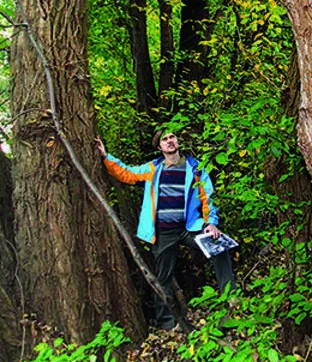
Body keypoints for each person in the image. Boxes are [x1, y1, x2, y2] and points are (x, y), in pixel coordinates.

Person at [97, 129, 235, 330]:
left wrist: (211, 223)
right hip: (163, 231)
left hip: (189, 227)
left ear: (178, 141)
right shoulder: (153, 168)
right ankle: (168, 322)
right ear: (159, 147)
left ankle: (231, 302)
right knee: (163, 276)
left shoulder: (195, 168)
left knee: (219, 246)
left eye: (172, 137)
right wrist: (105, 156)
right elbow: (127, 173)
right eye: (164, 139)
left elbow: (208, 197)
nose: (169, 141)